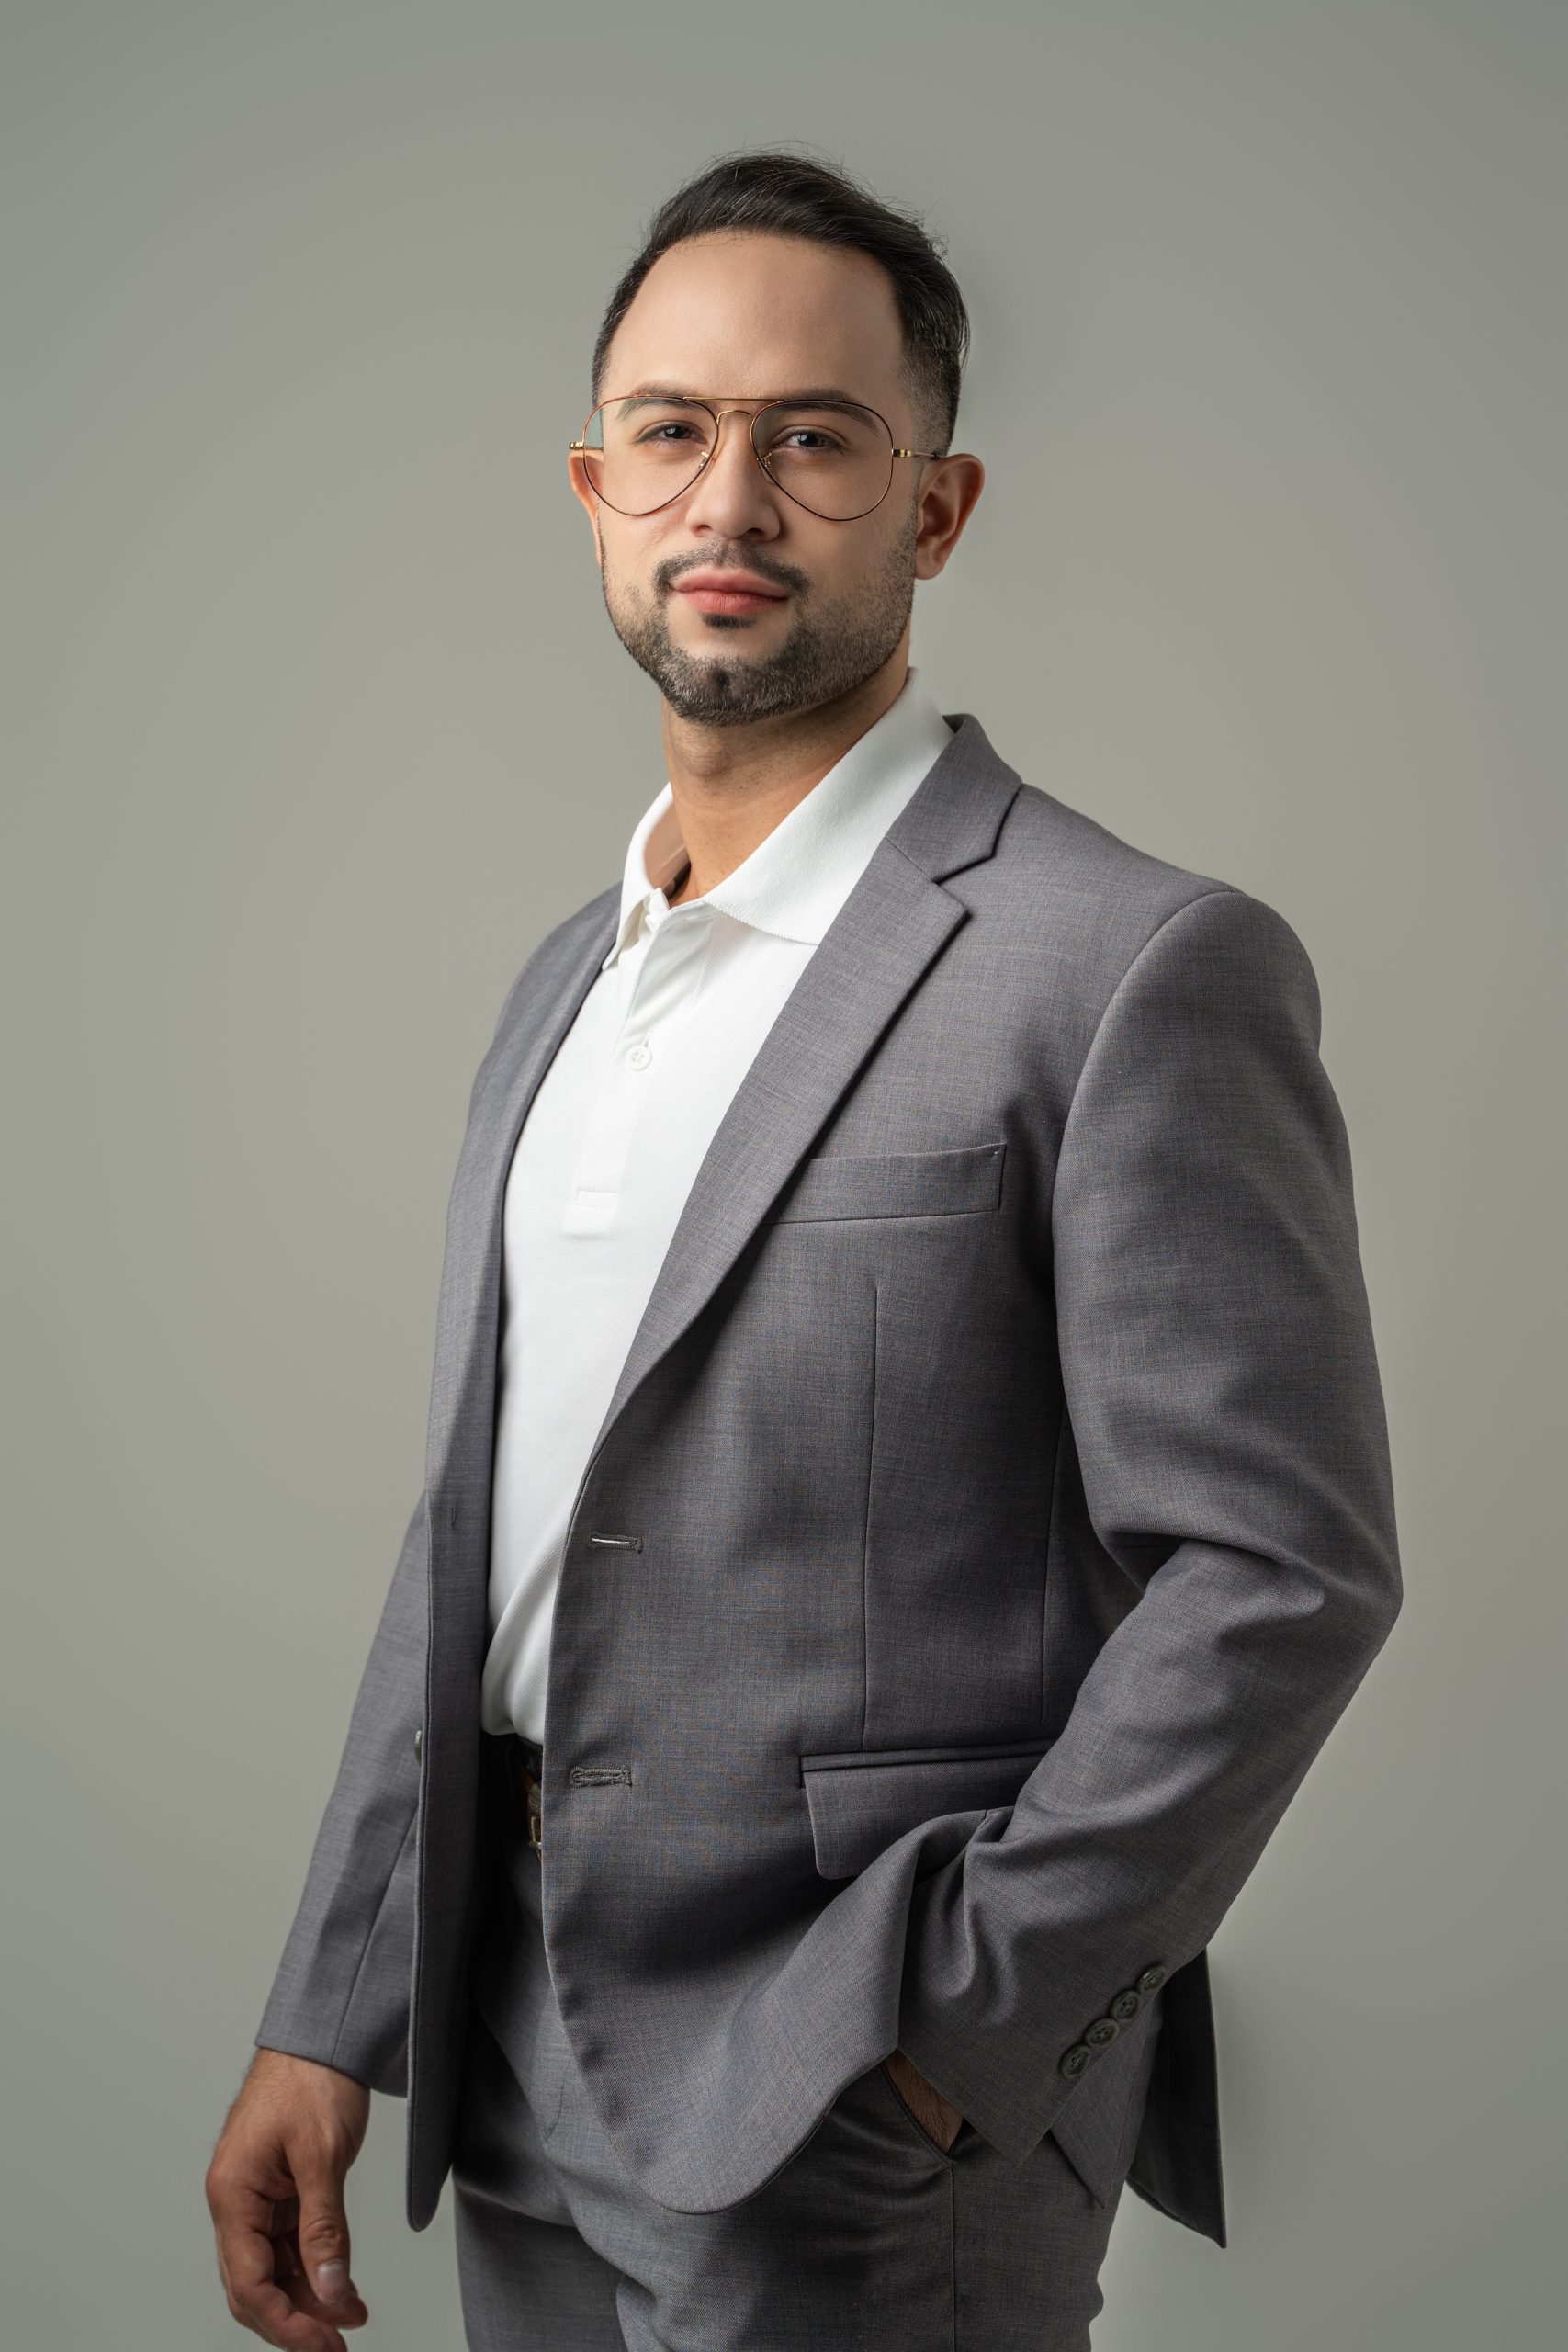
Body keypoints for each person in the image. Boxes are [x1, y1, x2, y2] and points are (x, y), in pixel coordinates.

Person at [206, 148, 1403, 2352]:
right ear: (592, 487)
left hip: (853, 2088)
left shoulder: (1125, 964)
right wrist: (332, 2007)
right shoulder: (564, 979)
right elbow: (477, 1537)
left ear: (932, 508)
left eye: (811, 439)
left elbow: (1280, 1570)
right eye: (670, 432)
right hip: (506, 2054)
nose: (726, 503)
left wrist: (962, 2024)